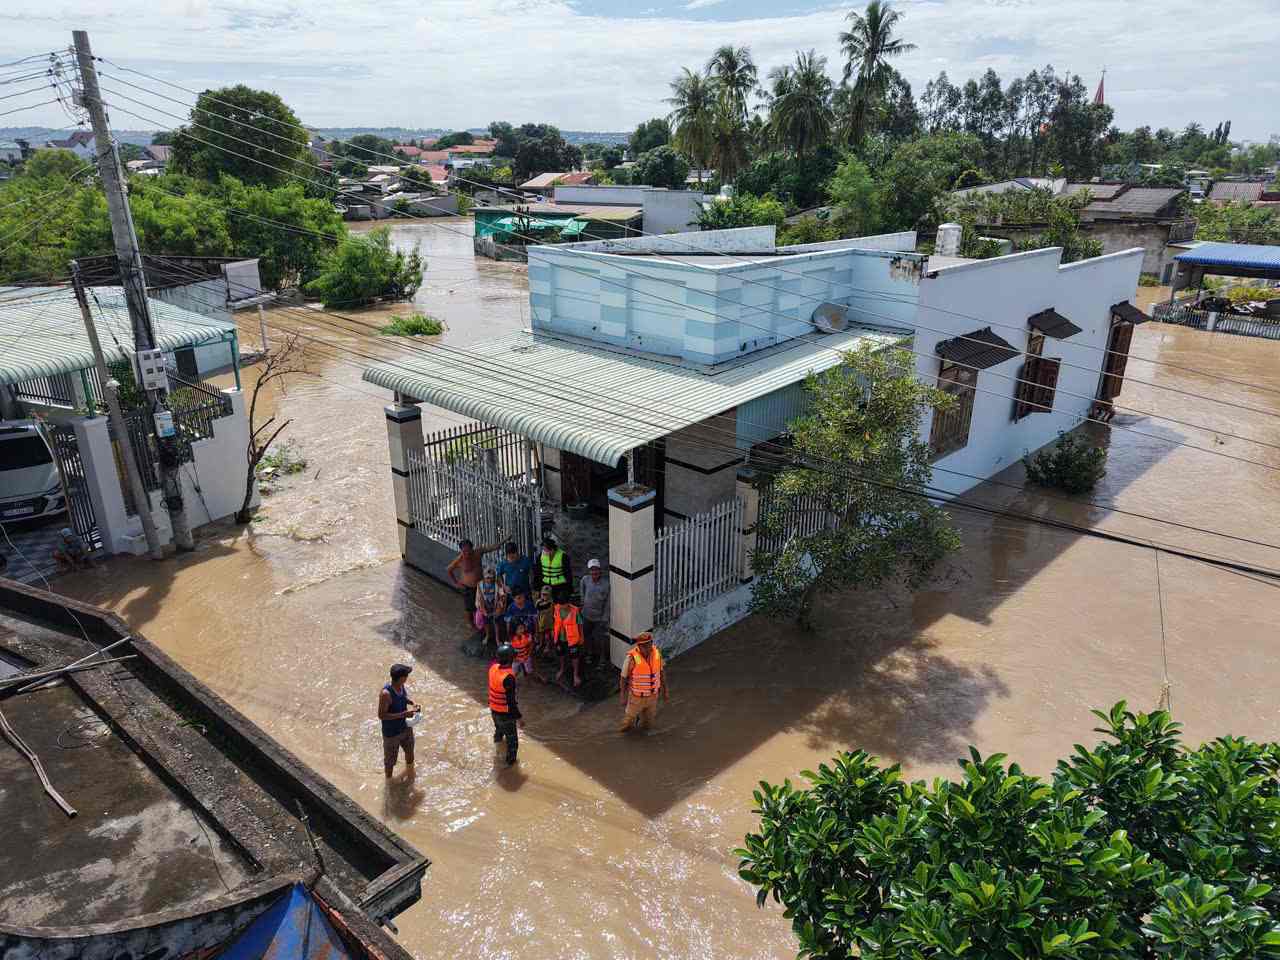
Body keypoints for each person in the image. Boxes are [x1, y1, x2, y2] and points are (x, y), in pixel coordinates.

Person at [446, 533, 505, 633]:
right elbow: (449, 570)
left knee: (485, 605)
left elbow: (492, 547)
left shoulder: (478, 552)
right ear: (461, 551)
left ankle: (485, 623)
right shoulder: (459, 560)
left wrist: (504, 540)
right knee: (470, 608)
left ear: (472, 548)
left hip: (481, 586)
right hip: (467, 587)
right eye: (464, 551)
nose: (467, 553)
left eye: (469, 550)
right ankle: (472, 625)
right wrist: (456, 583)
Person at [619, 633, 668, 733]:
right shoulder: (631, 658)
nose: (648, 648)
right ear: (639, 646)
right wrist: (622, 696)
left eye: (649, 644)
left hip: (653, 697)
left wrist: (665, 690)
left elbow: (661, 673)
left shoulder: (657, 654)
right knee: (627, 724)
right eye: (644, 645)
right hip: (636, 698)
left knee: (648, 725)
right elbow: (623, 678)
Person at [378, 663, 421, 777]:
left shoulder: (401, 686)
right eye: (406, 675)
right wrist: (404, 714)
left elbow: (403, 698)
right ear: (402, 678)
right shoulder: (385, 694)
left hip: (405, 727)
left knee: (410, 752)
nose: (407, 677)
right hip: (392, 734)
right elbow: (382, 715)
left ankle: (411, 773)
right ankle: (389, 783)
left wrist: (412, 703)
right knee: (390, 762)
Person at [488, 644, 523, 765]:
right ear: (511, 659)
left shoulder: (493, 668)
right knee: (512, 742)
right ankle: (510, 765)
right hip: (505, 714)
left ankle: (497, 745)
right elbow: (511, 702)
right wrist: (519, 718)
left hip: (493, 710)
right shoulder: (508, 677)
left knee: (499, 730)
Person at [579, 559, 611, 666]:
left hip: (599, 617)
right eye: (592, 570)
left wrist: (605, 617)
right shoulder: (585, 579)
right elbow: (582, 588)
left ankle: (602, 658)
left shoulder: (606, 584)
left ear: (600, 570)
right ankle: (589, 654)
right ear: (589, 571)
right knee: (587, 636)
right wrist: (583, 601)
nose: (594, 572)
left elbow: (607, 602)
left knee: (600, 638)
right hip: (586, 615)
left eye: (596, 570)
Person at [552, 598, 585, 688]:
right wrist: (554, 634)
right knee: (561, 654)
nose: (563, 606)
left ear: (568, 603)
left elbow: (580, 624)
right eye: (561, 604)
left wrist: (582, 637)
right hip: (560, 638)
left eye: (564, 604)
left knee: (575, 656)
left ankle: (575, 675)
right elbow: (555, 622)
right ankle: (562, 669)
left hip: (572, 639)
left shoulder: (575, 611)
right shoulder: (557, 609)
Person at [474, 567, 504, 652]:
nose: (489, 579)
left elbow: (502, 595)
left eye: (491, 577)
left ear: (494, 576)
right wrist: (482, 609)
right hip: (485, 605)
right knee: (486, 622)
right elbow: (479, 597)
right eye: (487, 577)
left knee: (496, 622)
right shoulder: (480, 584)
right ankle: (487, 635)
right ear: (484, 577)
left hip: (495, 605)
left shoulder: (497, 584)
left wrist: (499, 607)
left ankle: (497, 639)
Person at [537, 536, 572, 604]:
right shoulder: (540, 556)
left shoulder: (563, 556)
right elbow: (538, 572)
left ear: (552, 550)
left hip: (560, 586)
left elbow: (568, 573)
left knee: (559, 606)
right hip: (545, 585)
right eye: (543, 549)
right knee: (546, 606)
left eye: (545, 550)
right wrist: (538, 587)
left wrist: (568, 589)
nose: (544, 551)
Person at [534, 585, 556, 657]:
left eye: (546, 594)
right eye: (543, 594)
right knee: (541, 635)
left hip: (549, 623)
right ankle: (541, 644)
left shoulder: (552, 602)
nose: (544, 596)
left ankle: (547, 646)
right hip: (541, 622)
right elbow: (537, 613)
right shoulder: (538, 602)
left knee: (547, 636)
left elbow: (553, 612)